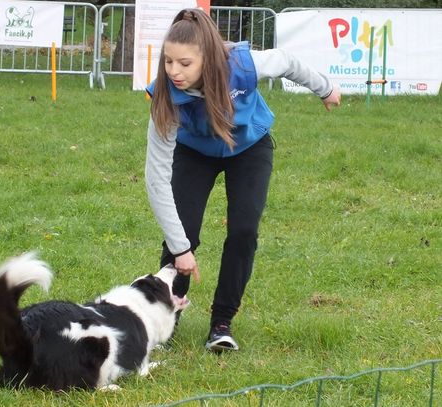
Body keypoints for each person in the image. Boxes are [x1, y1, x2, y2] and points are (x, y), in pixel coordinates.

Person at [144, 8, 341, 353]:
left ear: (209, 58)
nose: (174, 71)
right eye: (168, 61)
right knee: (183, 231)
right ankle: (166, 317)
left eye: (185, 64)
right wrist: (180, 249)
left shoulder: (244, 65)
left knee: (244, 230)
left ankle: (222, 322)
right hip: (194, 152)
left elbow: (288, 61)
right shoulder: (165, 96)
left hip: (249, 147)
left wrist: (324, 88)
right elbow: (156, 179)